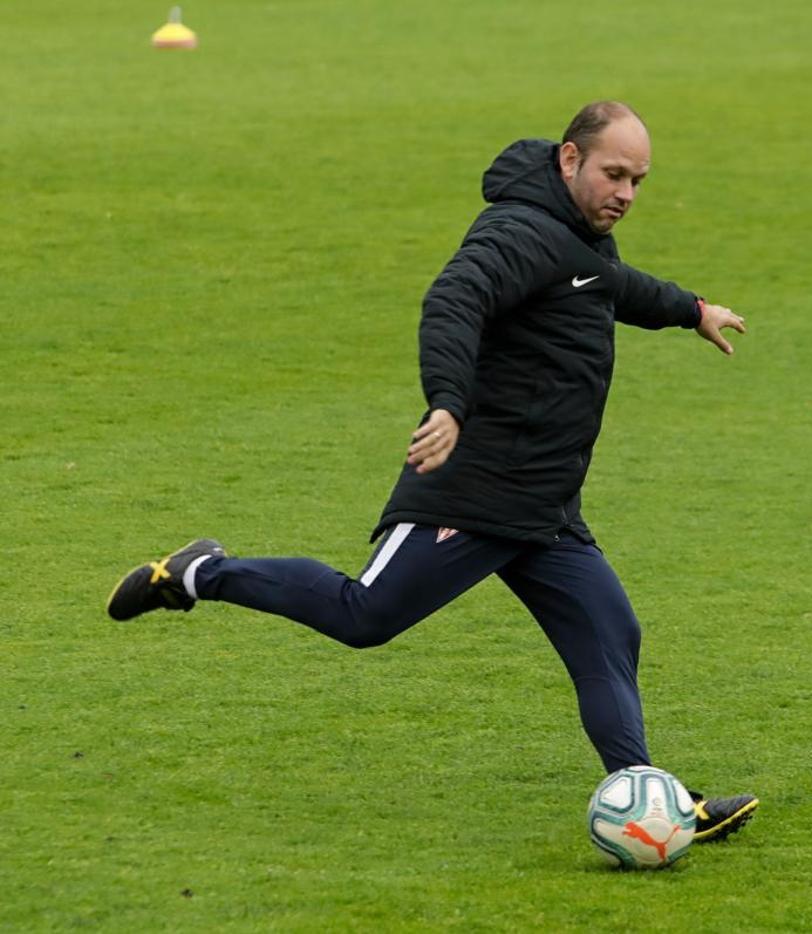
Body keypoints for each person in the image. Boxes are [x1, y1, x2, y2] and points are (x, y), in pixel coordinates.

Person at [107, 101, 758, 843]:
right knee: (364, 616)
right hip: (475, 491)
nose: (626, 194)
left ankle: (654, 804)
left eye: (638, 180)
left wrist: (692, 310)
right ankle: (197, 574)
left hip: (543, 504)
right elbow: (455, 299)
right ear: (569, 159)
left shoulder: (578, 239)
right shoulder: (517, 232)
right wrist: (447, 402)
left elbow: (612, 285)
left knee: (609, 633)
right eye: (614, 174)